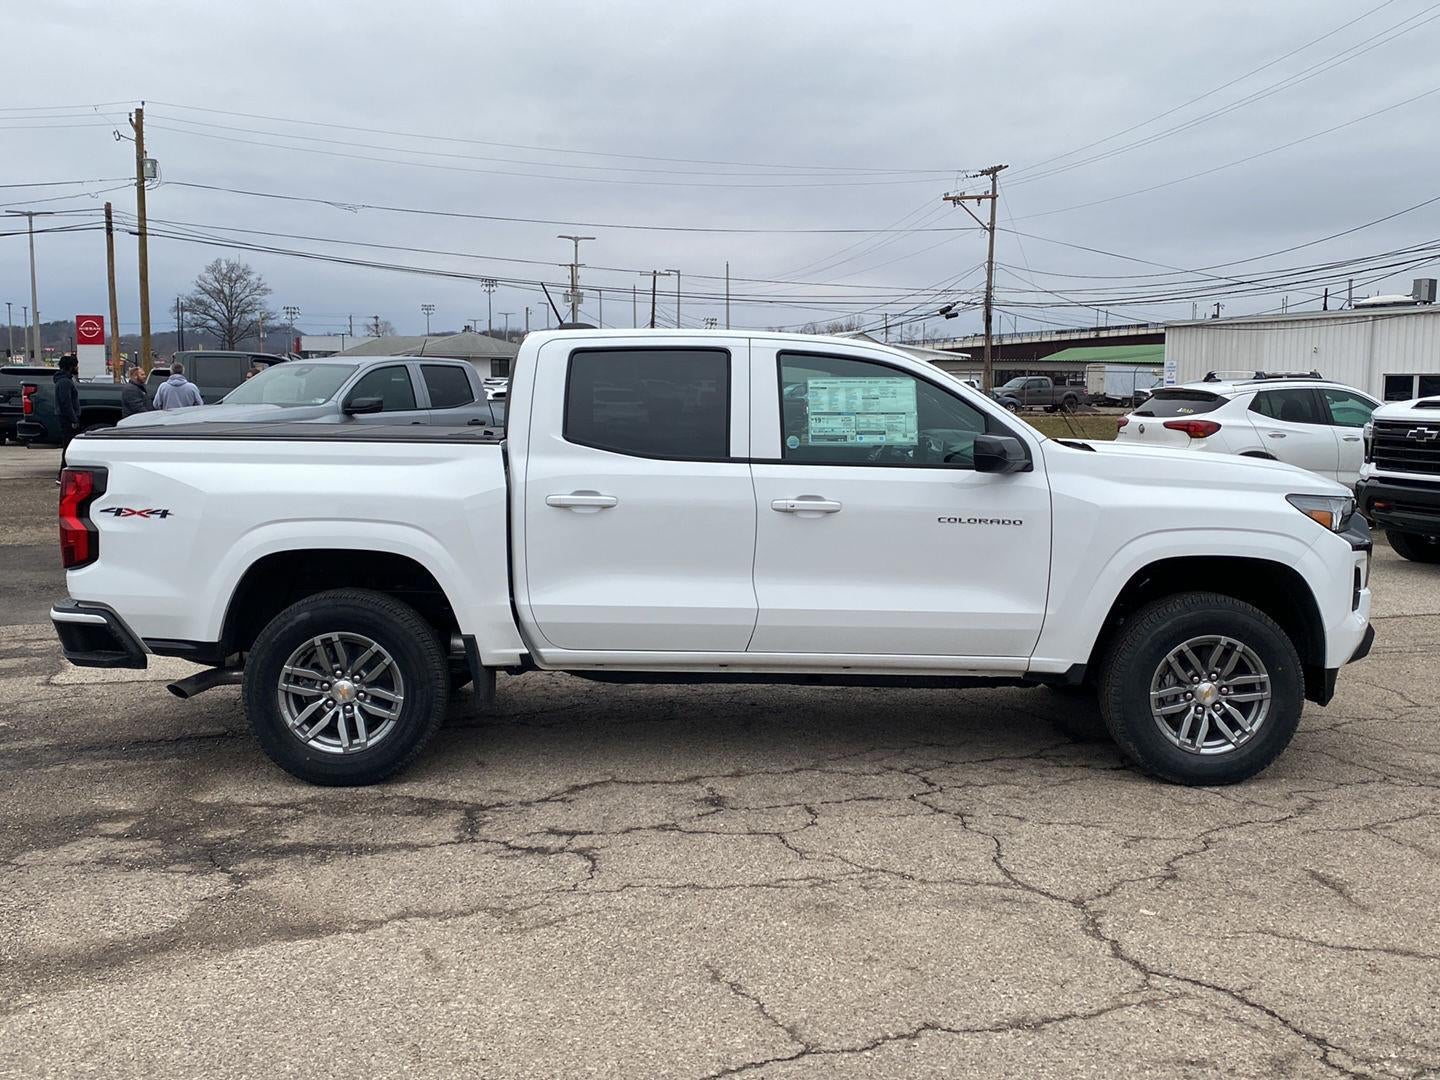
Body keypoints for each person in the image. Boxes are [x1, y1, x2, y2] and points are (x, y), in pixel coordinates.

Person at [53, 355, 81, 483]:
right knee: (68, 447)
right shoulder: (65, 382)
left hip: (65, 418)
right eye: (76, 365)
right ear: (71, 367)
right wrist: (74, 419)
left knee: (68, 446)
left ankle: (63, 474)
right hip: (67, 419)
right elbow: (66, 403)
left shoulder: (63, 380)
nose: (77, 368)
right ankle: (62, 475)